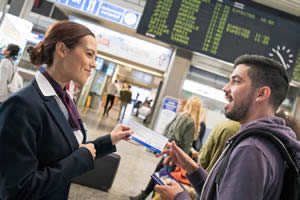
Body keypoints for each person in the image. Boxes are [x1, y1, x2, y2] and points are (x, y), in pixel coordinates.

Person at [0, 21, 133, 200]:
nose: (93, 64)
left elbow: (68, 149)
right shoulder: (22, 106)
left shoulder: (63, 98)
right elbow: (17, 189)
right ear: (62, 50)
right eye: (89, 54)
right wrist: (80, 160)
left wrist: (109, 140)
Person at [155, 55, 299, 200]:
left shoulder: (251, 149)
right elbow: (223, 193)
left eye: (236, 81)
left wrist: (179, 197)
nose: (225, 88)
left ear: (262, 94)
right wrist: (192, 169)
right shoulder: (270, 142)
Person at [129, 97, 202, 200]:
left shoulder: (178, 116)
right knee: (166, 184)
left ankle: (146, 196)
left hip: (168, 153)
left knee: (161, 178)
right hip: (176, 158)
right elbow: (186, 145)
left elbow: (167, 133)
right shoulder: (190, 122)